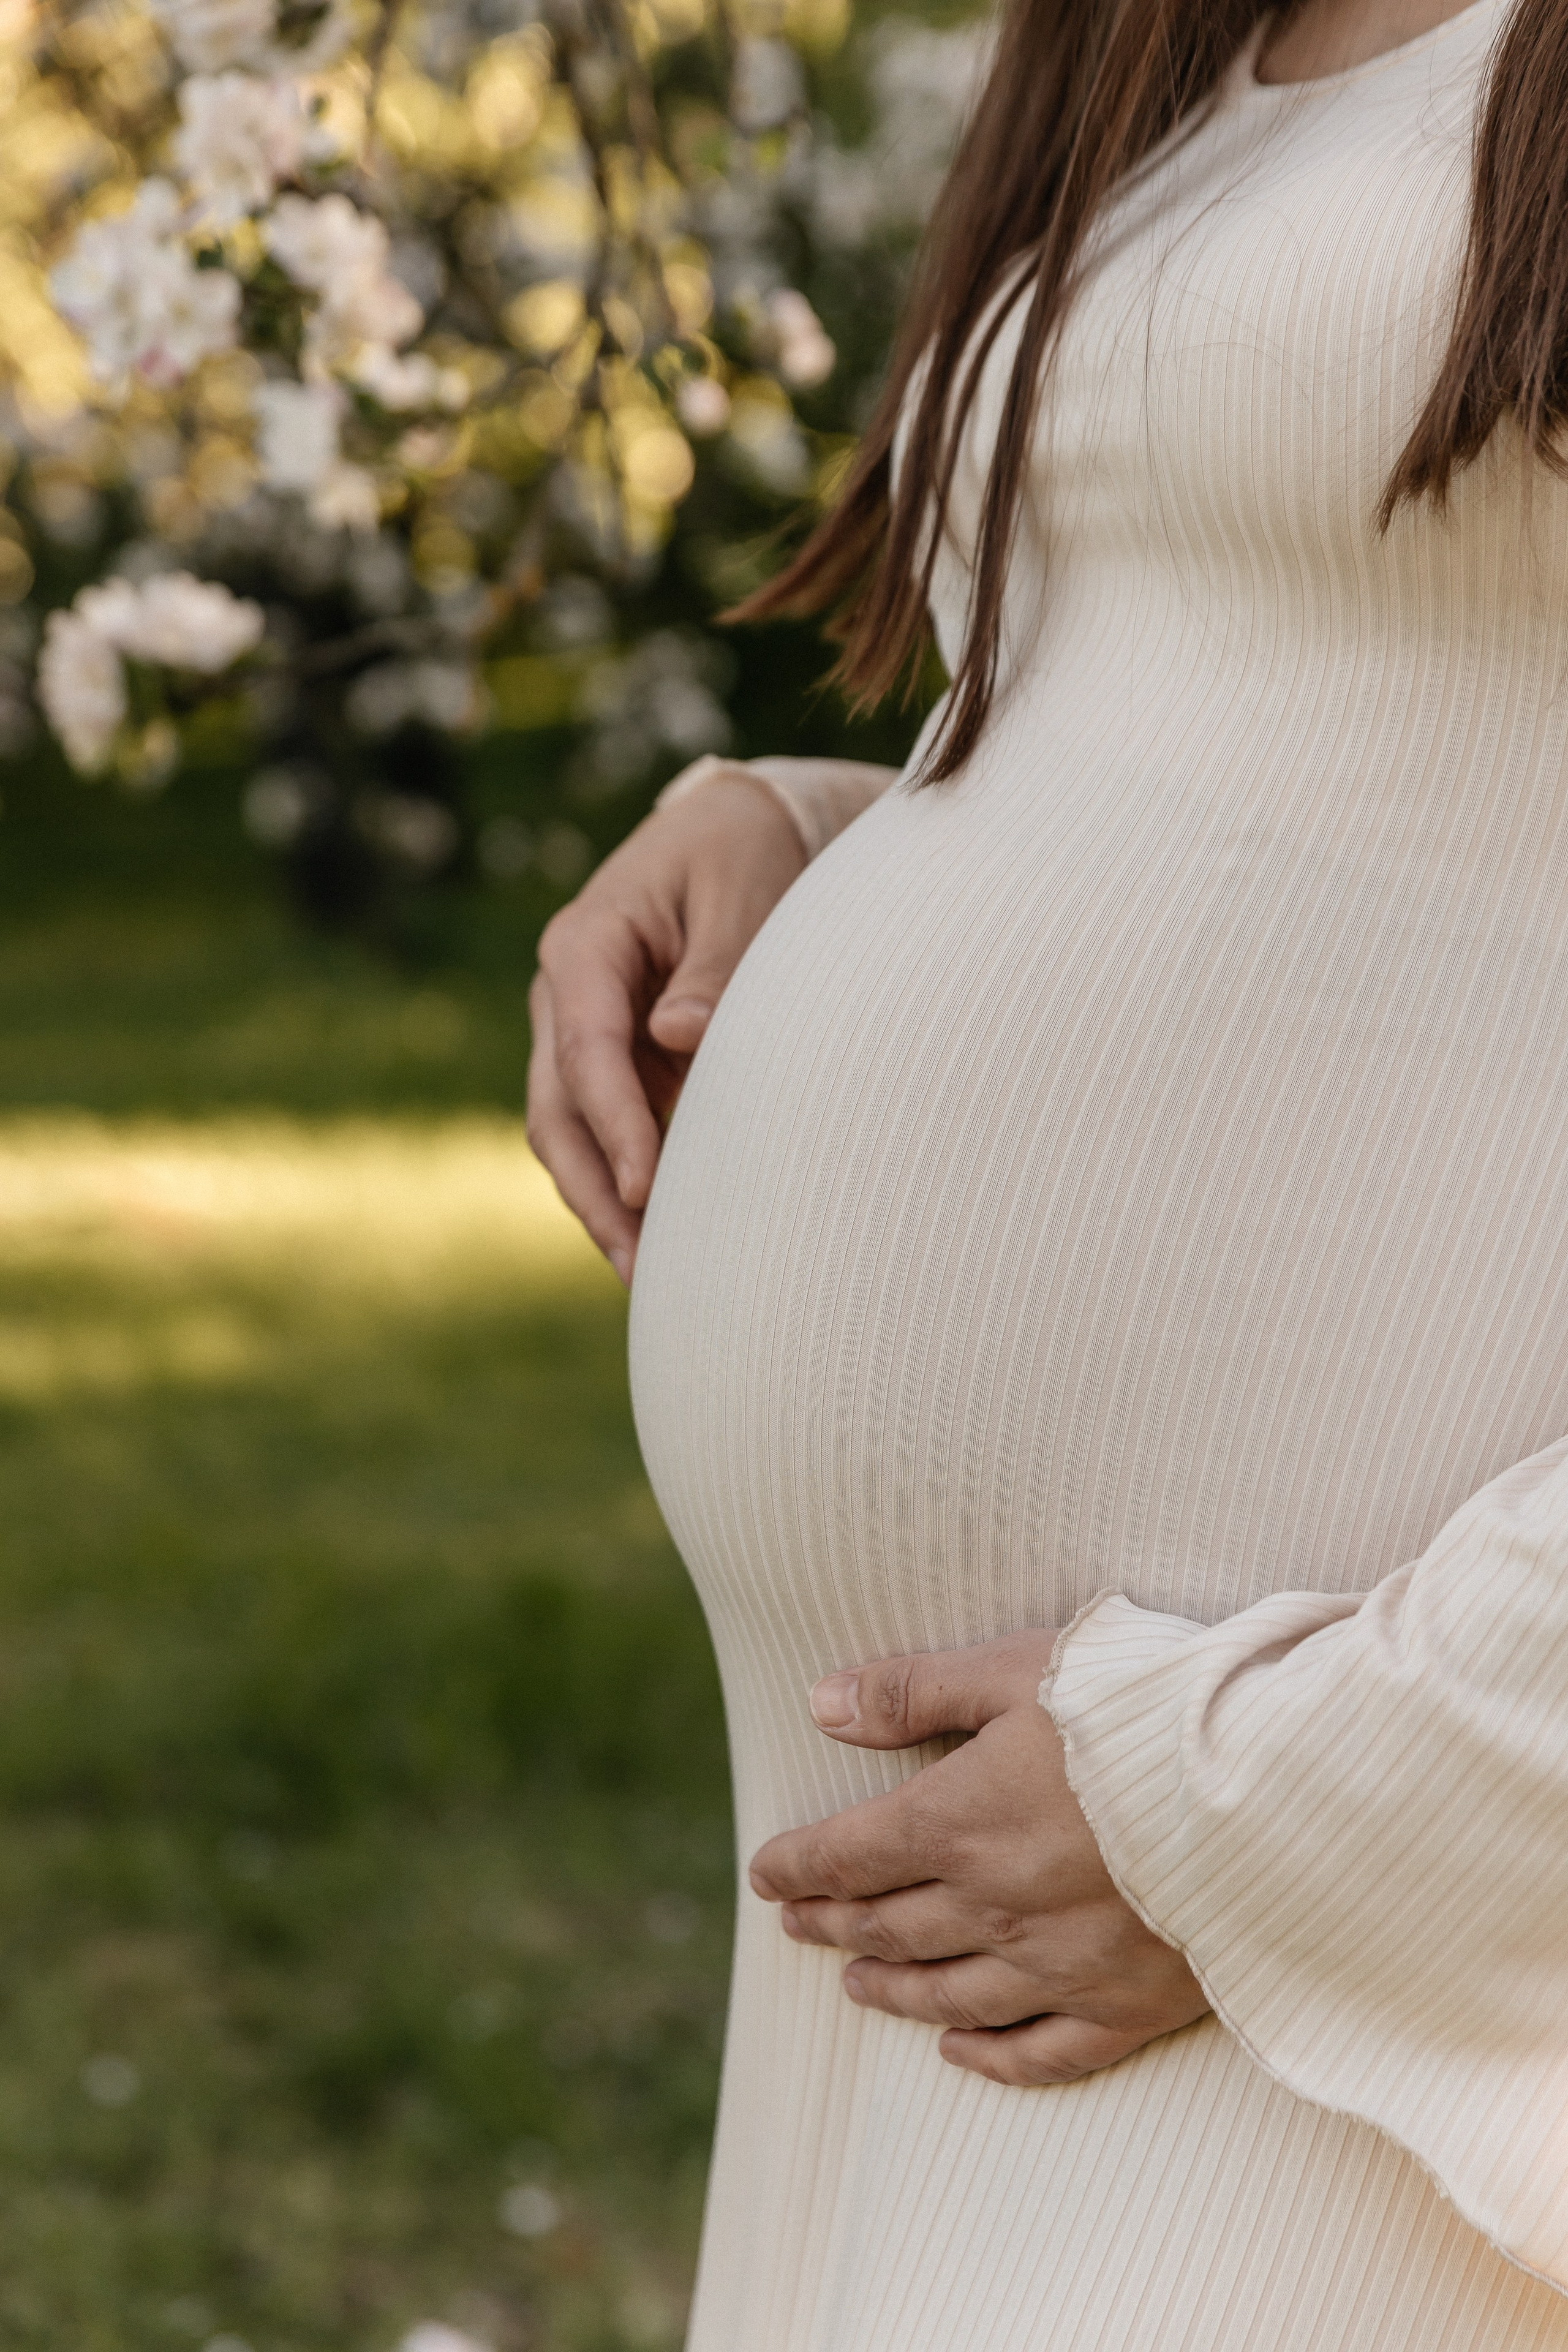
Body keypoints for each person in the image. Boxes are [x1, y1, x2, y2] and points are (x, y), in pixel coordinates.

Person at [526, 0, 1568, 2340]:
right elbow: (1338, 702)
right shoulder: (1173, 34)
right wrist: (825, 830)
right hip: (948, 1878)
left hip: (1331, 1888)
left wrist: (1284, 1804)